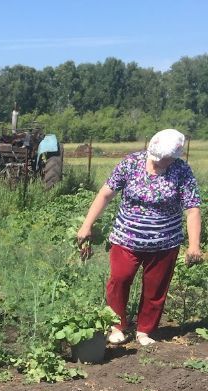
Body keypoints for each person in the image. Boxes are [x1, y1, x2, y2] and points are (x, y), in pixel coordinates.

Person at [76, 128, 202, 346]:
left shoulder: (181, 170)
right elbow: (105, 194)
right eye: (158, 157)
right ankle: (116, 325)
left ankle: (145, 330)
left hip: (165, 242)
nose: (160, 161)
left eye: (166, 158)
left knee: (156, 288)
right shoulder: (131, 163)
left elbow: (192, 209)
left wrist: (194, 245)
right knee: (120, 280)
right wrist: (87, 225)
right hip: (126, 238)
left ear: (175, 156)